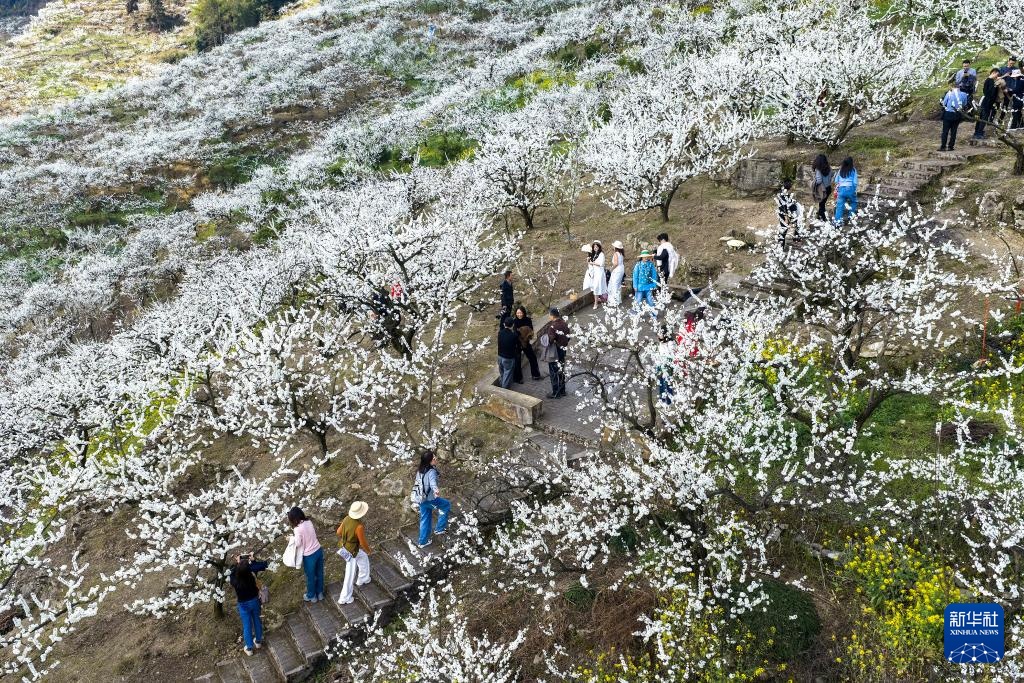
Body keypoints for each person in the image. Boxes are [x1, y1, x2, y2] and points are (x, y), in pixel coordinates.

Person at [230, 553, 267, 656]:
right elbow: (263, 565)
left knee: (247, 625)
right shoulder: (251, 574)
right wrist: (253, 560)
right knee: (257, 620)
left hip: (243, 604)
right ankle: (258, 642)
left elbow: (232, 572)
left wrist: (238, 563)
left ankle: (249, 648)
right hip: (254, 601)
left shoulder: (235, 580)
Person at [336, 501, 372, 605]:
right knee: (350, 574)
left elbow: (338, 532)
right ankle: (344, 598)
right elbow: (362, 542)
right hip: (351, 551)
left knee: (363, 557)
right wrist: (368, 550)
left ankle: (363, 578)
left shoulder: (346, 518)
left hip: (344, 546)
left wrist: (347, 537)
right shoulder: (359, 526)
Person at [415, 449, 451, 548]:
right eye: (433, 458)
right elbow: (432, 482)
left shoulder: (420, 470)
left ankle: (423, 542)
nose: (436, 458)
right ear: (429, 461)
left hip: (420, 498)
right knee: (445, 505)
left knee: (425, 518)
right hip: (429, 499)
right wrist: (436, 490)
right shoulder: (431, 471)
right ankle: (439, 528)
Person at [288, 507, 324, 603]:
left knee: (310, 576)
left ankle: (311, 596)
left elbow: (298, 543)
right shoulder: (309, 522)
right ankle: (320, 593)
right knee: (319, 573)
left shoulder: (297, 529)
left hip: (309, 555)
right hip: (318, 550)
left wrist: (291, 539)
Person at [536, 307, 570, 399]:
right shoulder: (564, 323)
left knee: (553, 372)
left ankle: (555, 392)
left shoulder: (552, 327)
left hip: (555, 352)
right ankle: (562, 390)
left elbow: (550, 340)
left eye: (549, 315)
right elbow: (568, 336)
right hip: (563, 350)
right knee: (561, 370)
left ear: (552, 315)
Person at [511, 305, 542, 382]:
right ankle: (518, 378)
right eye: (518, 313)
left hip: (526, 342)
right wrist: (524, 330)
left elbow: (530, 330)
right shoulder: (514, 321)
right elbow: (515, 333)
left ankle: (536, 375)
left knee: (532, 358)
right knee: (517, 361)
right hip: (517, 343)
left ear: (523, 313)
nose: (519, 314)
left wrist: (521, 331)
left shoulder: (528, 320)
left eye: (520, 313)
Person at [974, 68, 1001, 139]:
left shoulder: (988, 80)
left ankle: (977, 132)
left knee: (981, 117)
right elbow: (989, 93)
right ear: (994, 73)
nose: (997, 77)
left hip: (986, 102)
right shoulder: (990, 81)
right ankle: (978, 133)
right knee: (984, 118)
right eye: (997, 75)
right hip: (987, 102)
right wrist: (995, 86)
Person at [775, 180, 803, 247]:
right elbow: (788, 206)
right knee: (796, 225)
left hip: (782, 213)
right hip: (788, 214)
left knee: (783, 228)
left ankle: (781, 243)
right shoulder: (787, 196)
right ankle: (796, 239)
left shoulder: (781, 193)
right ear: (789, 188)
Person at [939, 83, 967, 151]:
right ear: (959, 87)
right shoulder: (964, 94)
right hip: (957, 114)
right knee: (954, 131)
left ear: (952, 87)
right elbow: (964, 104)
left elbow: (944, 103)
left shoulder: (949, 94)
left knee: (945, 131)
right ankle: (951, 146)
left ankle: (943, 147)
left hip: (948, 114)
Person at [632, 250, 660, 316]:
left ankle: (653, 314)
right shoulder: (638, 265)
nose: (646, 258)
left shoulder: (651, 265)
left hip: (649, 285)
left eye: (647, 257)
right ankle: (636, 314)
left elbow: (654, 275)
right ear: (642, 257)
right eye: (644, 257)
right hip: (640, 286)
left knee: (650, 300)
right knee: (638, 300)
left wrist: (654, 284)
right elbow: (635, 276)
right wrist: (635, 286)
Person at [833, 157, 859, 224]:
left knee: (839, 206)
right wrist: (854, 189)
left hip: (841, 189)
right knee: (854, 201)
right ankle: (850, 217)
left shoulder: (841, 170)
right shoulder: (853, 170)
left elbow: (836, 180)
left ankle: (837, 222)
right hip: (850, 188)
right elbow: (855, 182)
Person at [810, 154, 832, 221]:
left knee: (821, 204)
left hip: (822, 190)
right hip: (828, 188)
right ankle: (819, 214)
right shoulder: (829, 167)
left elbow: (819, 181)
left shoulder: (818, 169)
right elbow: (831, 177)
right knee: (823, 203)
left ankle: (823, 218)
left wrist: (813, 182)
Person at [497, 318, 518, 388]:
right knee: (507, 374)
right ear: (512, 325)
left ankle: (501, 384)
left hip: (499, 356)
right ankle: (503, 390)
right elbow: (515, 346)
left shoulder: (500, 333)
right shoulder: (514, 335)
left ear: (504, 324)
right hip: (508, 358)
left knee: (502, 373)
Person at [587, 241, 608, 307]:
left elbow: (601, 264)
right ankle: (599, 300)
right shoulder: (594, 254)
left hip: (599, 273)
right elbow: (591, 263)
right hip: (595, 272)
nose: (595, 248)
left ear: (599, 247)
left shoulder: (601, 254)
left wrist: (592, 263)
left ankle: (596, 303)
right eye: (594, 247)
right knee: (595, 287)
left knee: (597, 287)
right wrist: (588, 261)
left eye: (596, 247)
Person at [608, 240, 626, 307]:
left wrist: (611, 269)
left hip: (617, 270)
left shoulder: (616, 253)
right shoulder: (621, 254)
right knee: (618, 284)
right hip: (621, 269)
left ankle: (614, 301)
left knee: (614, 284)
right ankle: (618, 300)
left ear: (615, 247)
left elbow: (616, 263)